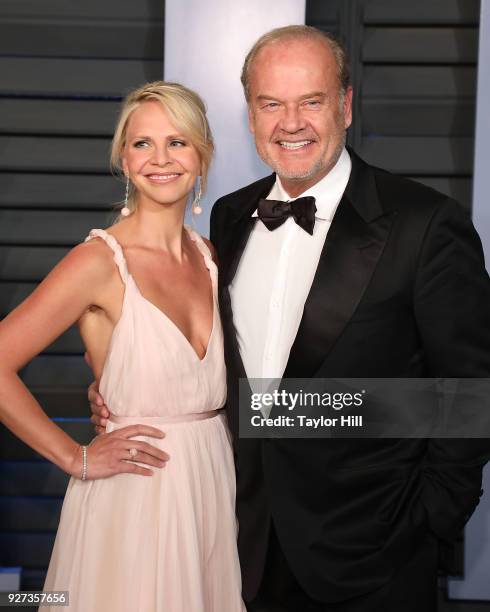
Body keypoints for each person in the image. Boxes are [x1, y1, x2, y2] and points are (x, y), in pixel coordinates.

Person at [90, 26, 490, 612]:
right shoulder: (228, 217)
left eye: (312, 101)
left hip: (376, 553)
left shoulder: (426, 225)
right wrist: (115, 380)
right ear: (251, 116)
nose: (291, 122)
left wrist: (430, 517)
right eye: (271, 103)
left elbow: (470, 390)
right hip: (240, 539)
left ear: (346, 106)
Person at [0, 81, 245, 612]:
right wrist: (76, 457)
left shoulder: (212, 258)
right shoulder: (97, 263)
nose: (161, 159)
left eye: (177, 142)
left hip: (211, 491)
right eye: (142, 144)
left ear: (203, 155)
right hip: (135, 498)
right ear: (123, 158)